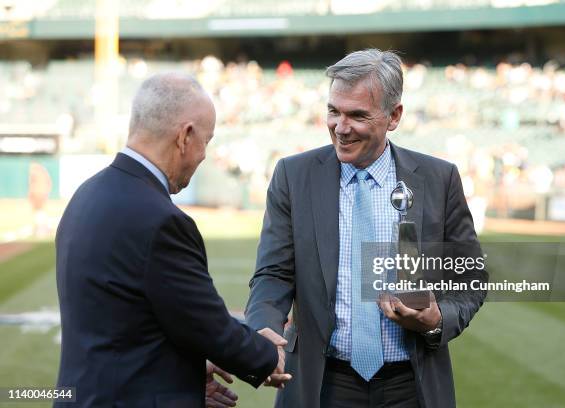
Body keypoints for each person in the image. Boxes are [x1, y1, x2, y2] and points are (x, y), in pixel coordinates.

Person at [245, 49, 488, 408]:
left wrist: (436, 319)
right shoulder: (293, 176)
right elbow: (273, 273)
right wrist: (262, 326)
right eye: (333, 111)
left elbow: (470, 280)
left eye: (357, 115)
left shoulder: (439, 179)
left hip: (412, 386)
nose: (341, 127)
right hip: (322, 384)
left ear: (394, 116)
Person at [55, 73, 289, 408]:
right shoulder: (161, 219)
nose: (204, 154)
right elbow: (207, 324)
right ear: (185, 136)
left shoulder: (86, 194)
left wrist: (186, 377)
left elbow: (128, 327)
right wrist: (266, 354)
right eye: (206, 141)